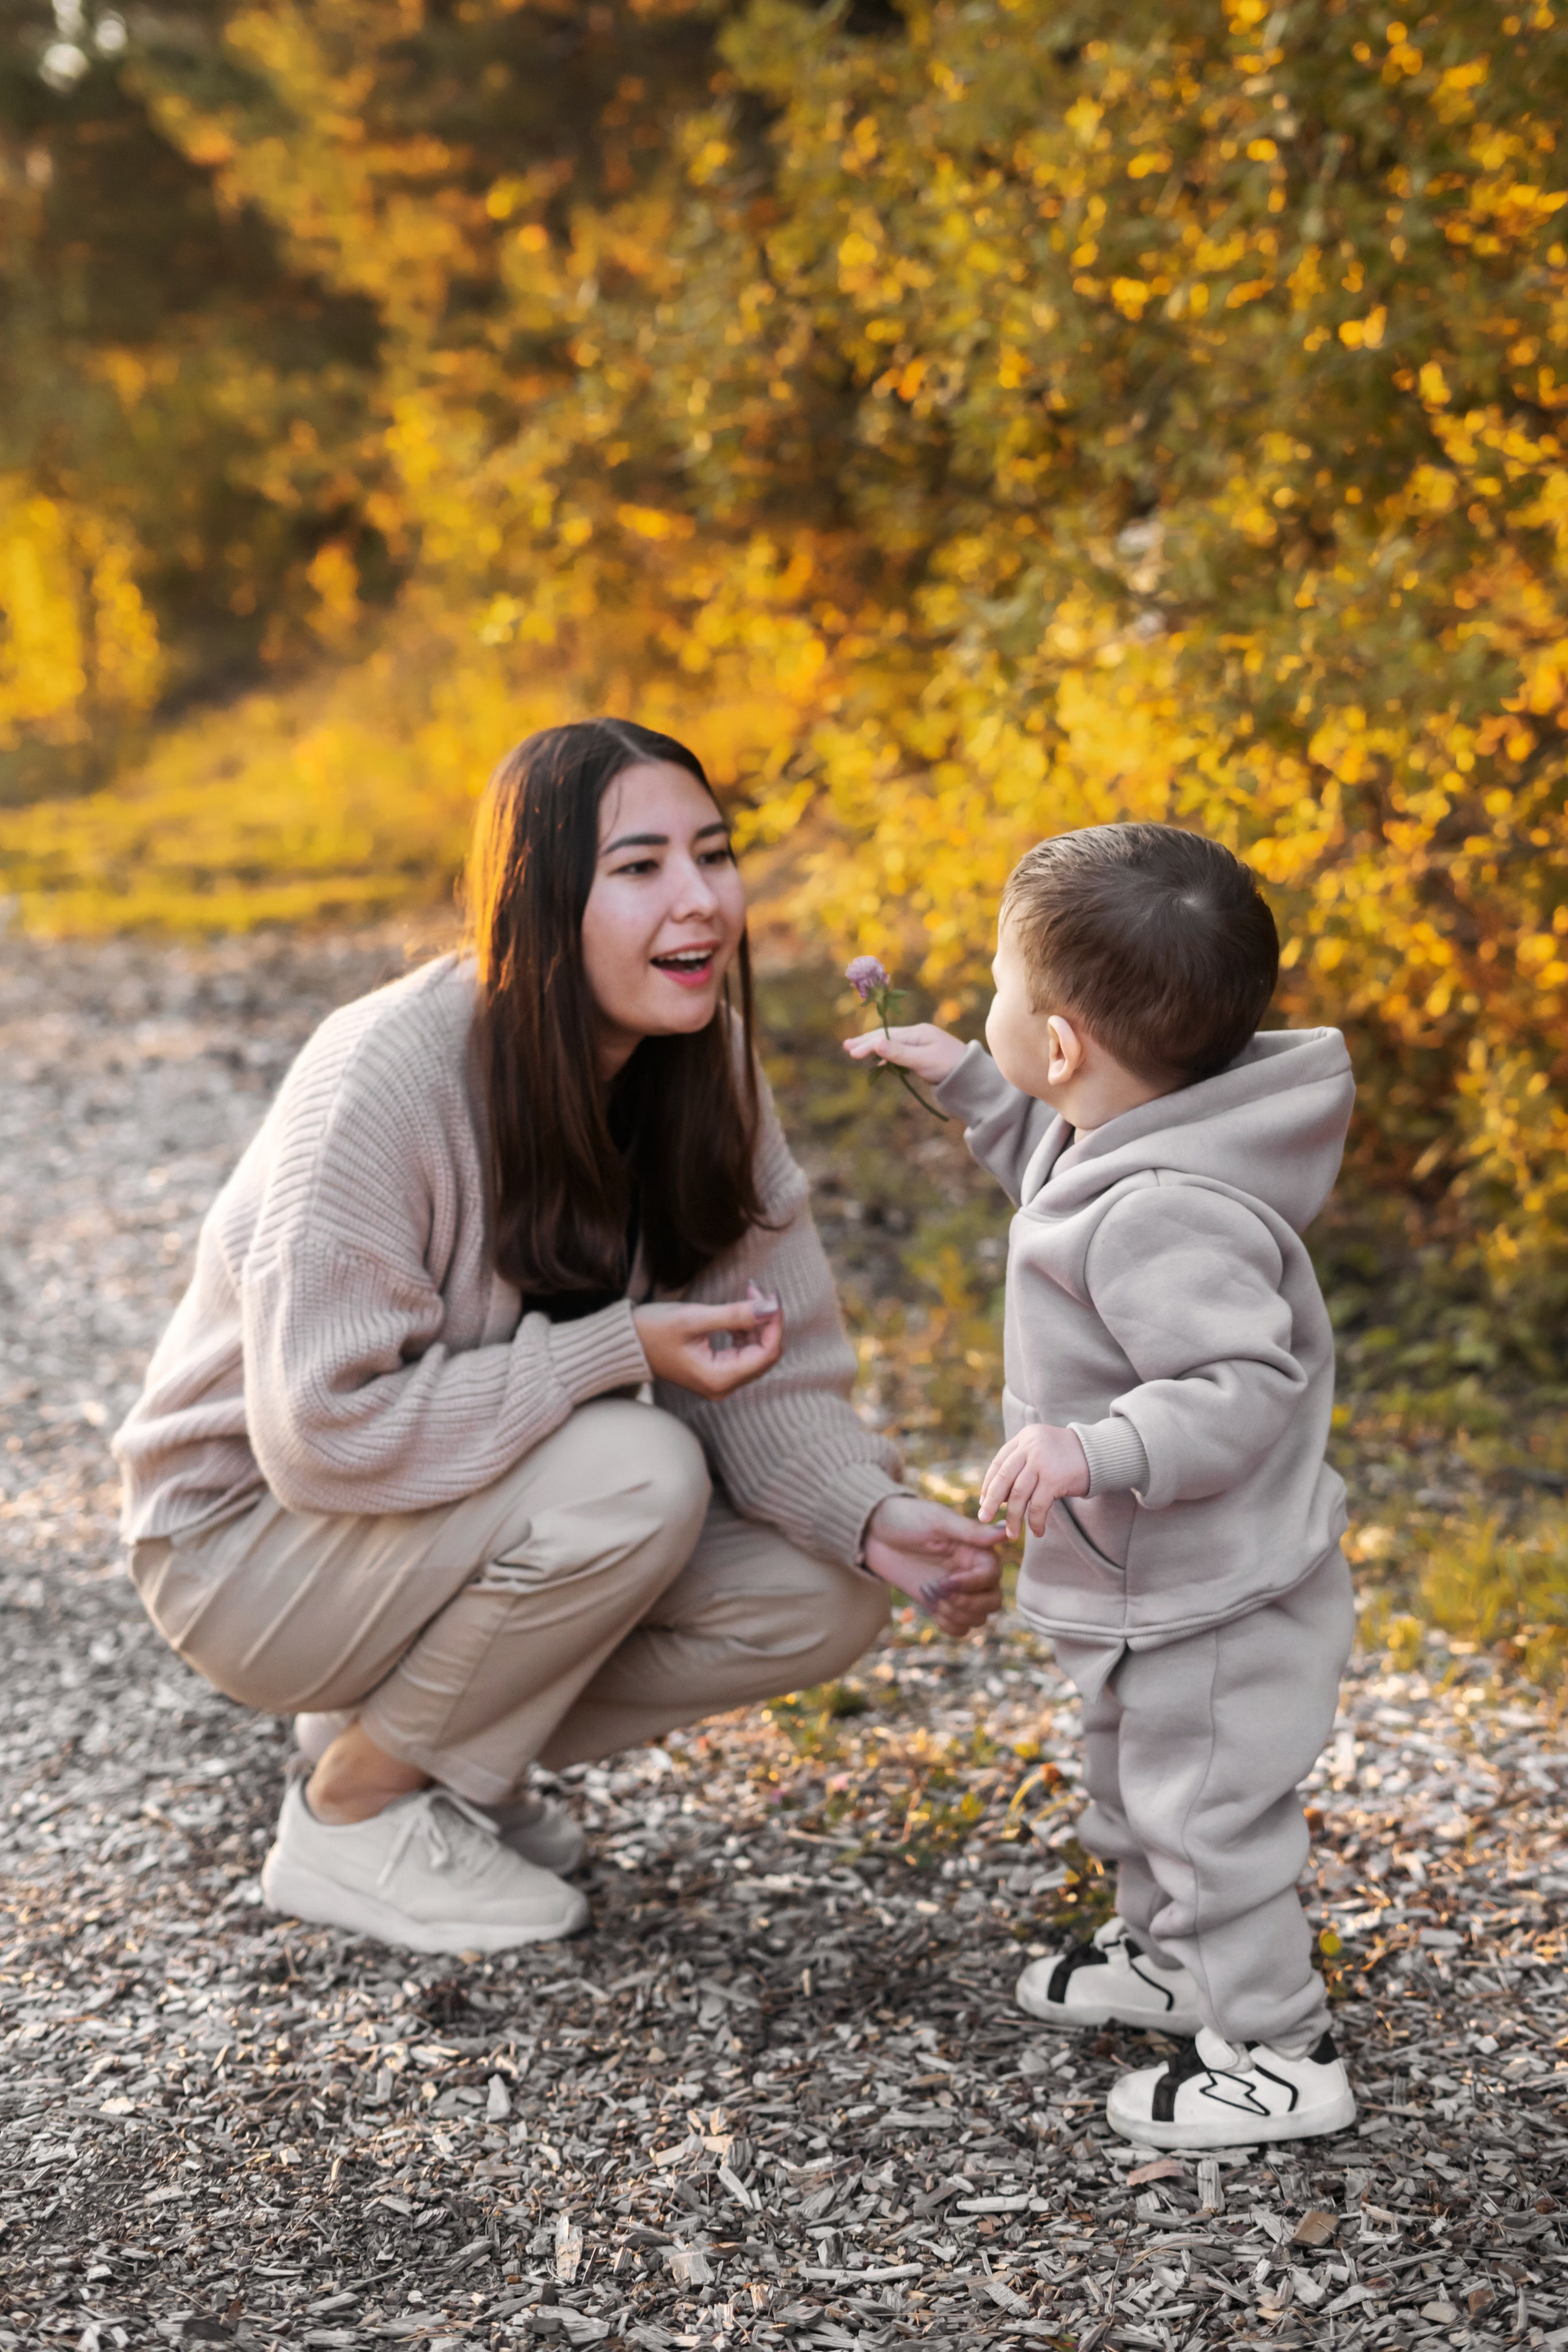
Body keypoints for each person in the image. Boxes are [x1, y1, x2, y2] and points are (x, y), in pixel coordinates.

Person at [115, 719, 1005, 1957]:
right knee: (634, 1472)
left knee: (823, 1595)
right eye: (638, 868)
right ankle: (353, 1817)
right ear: (538, 904)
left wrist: (868, 1517)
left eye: (713, 853)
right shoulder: (386, 1076)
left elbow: (771, 1362)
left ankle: (400, 1749)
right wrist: (615, 1348)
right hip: (249, 1546)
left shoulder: (700, 1068)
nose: (698, 901)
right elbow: (323, 1432)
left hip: (426, 1527)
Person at [843, 822, 1359, 2149]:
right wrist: (968, 1080)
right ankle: (1173, 1962)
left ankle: (1279, 2048)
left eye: (1001, 998)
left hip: (1213, 1600)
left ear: (1063, 1043)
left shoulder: (1166, 1212)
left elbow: (1236, 1387)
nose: (990, 1010)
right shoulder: (1128, 1139)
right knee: (1134, 1787)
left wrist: (1098, 1447)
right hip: (1151, 1587)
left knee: (1207, 1818)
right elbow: (1059, 1171)